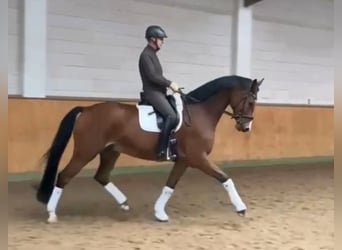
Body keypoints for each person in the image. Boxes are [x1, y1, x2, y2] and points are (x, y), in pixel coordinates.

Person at [138, 25, 180, 161]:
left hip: (159, 92)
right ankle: (161, 149)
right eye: (161, 39)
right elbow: (153, 77)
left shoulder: (152, 55)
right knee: (171, 116)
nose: (162, 42)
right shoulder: (146, 55)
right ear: (153, 39)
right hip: (152, 93)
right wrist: (170, 83)